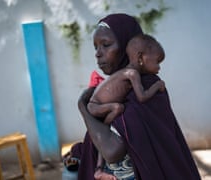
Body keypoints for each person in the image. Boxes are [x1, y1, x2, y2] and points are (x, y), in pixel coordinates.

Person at [63, 13, 201, 180]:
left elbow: (112, 151)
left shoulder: (146, 87)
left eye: (106, 45)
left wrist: (82, 107)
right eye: (96, 47)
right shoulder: (114, 87)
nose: (98, 54)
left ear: (130, 49)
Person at [88, 34, 166, 179]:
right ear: (141, 58)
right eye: (157, 62)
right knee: (118, 109)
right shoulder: (132, 73)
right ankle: (100, 168)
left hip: (99, 107)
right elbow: (142, 97)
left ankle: (99, 169)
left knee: (113, 117)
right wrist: (157, 86)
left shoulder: (128, 73)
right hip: (95, 107)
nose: (159, 67)